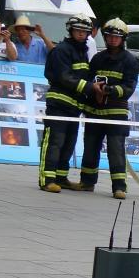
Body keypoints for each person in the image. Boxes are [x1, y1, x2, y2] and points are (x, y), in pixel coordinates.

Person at [75, 18, 138, 198]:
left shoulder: (129, 60)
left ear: (123, 39)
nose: (113, 39)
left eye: (117, 37)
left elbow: (129, 87)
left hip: (116, 113)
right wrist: (92, 90)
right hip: (94, 111)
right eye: (110, 36)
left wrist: (111, 90)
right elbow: (89, 80)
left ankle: (119, 187)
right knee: (90, 147)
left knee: (115, 150)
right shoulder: (98, 58)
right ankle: (87, 182)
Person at [38, 14, 93, 192]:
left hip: (74, 107)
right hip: (59, 105)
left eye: (84, 31)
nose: (81, 34)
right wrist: (89, 87)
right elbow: (64, 77)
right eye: (78, 30)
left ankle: (61, 178)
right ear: (71, 30)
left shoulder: (82, 52)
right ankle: (47, 179)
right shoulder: (62, 50)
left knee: (69, 143)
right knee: (54, 142)